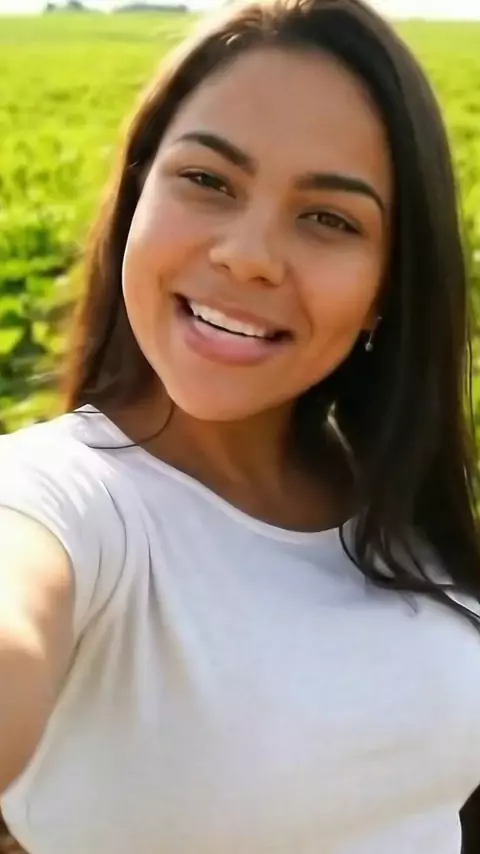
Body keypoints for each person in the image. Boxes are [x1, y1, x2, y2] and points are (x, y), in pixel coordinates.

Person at [1, 0, 480, 851]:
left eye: (329, 219)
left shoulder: (399, 499)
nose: (247, 255)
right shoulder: (62, 504)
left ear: (388, 287)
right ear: (137, 196)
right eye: (209, 181)